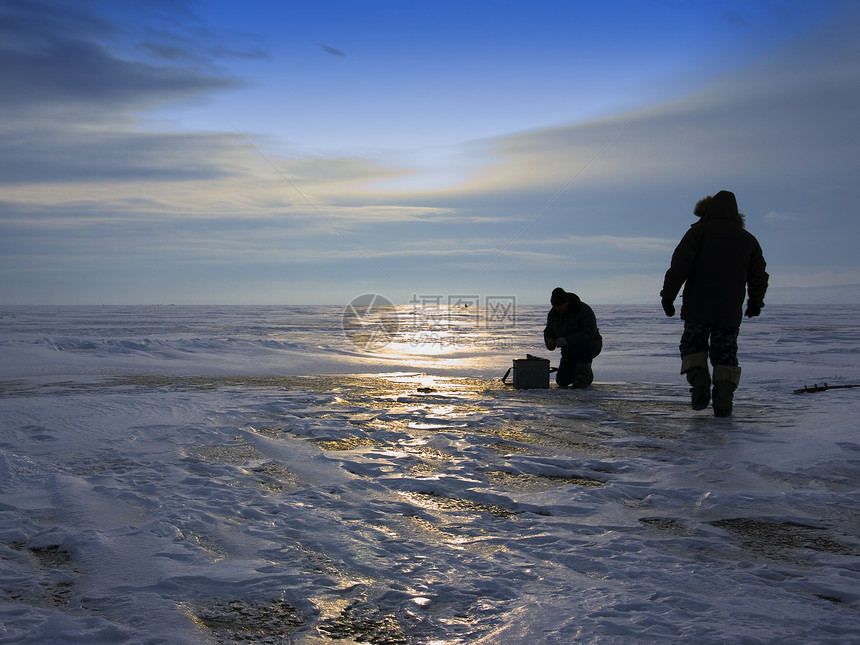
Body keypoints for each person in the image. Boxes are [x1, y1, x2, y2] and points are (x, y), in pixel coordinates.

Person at [660, 190, 769, 416]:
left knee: (692, 346)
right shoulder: (748, 240)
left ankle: (699, 380)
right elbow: (759, 276)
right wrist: (755, 302)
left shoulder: (698, 233)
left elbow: (679, 267)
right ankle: (723, 400)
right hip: (729, 311)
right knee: (725, 354)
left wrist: (668, 296)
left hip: (697, 308)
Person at [544, 287, 603, 388]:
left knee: (584, 347)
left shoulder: (583, 309)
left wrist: (567, 340)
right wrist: (550, 340)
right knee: (562, 381)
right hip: (569, 352)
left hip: (589, 346)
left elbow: (589, 332)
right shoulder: (553, 314)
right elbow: (548, 330)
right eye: (556, 306)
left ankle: (584, 375)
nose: (558, 309)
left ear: (567, 302)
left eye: (560, 306)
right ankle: (577, 370)